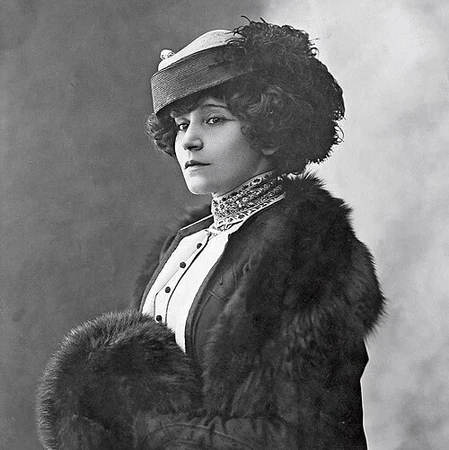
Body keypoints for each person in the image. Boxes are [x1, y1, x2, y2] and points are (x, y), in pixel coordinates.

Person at [36, 19, 384, 450]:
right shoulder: (183, 245)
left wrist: (151, 433)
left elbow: (301, 436)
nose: (189, 141)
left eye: (213, 119)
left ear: (269, 130)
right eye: (182, 124)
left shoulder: (312, 249)